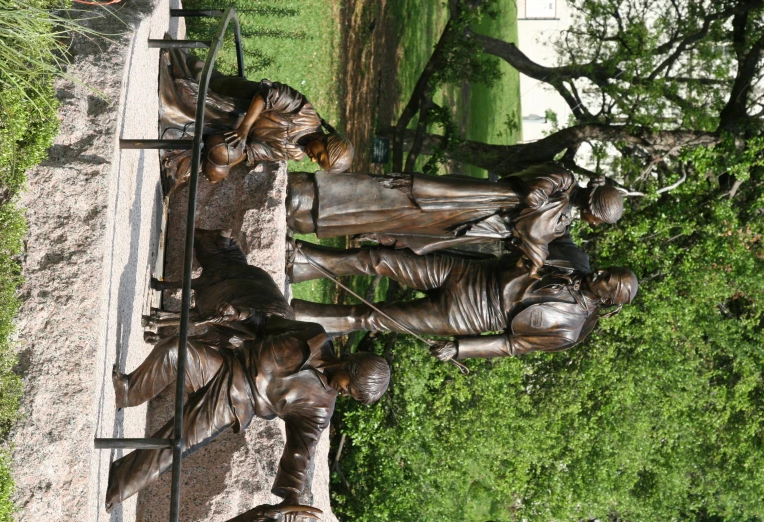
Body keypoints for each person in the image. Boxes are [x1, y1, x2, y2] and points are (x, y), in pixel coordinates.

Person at [105, 315, 390, 518]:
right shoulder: (314, 335)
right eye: (350, 387)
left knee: (177, 440)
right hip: (226, 365)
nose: (345, 393)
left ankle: (117, 485)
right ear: (351, 366)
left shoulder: (320, 408)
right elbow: (263, 324)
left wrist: (292, 494)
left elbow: (302, 450)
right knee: (175, 351)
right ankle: (128, 391)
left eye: (351, 395)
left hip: (235, 401)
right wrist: (236, 316)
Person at [289, 240, 637, 361]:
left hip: (467, 315)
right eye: (608, 270)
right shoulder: (575, 260)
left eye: (607, 281)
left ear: (609, 301)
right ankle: (302, 262)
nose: (601, 274)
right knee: (379, 258)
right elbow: (550, 230)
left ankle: (297, 317)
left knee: (372, 318)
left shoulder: (568, 332)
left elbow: (511, 346)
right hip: (467, 272)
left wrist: (460, 348)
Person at [287, 164, 623, 276]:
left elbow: (532, 228)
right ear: (595, 207)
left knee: (392, 226)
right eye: (599, 219)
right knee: (392, 202)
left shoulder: (564, 220)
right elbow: (531, 202)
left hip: (469, 227)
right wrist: (536, 252)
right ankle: (306, 198)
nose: (594, 224)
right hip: (469, 205)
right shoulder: (563, 182)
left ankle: (310, 222)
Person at [159, 47, 353, 195]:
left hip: (229, 129)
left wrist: (226, 162)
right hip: (236, 103)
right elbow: (266, 95)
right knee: (188, 99)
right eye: (319, 157)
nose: (312, 159)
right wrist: (244, 129)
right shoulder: (304, 112)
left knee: (216, 158)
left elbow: (253, 151)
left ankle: (181, 143)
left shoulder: (295, 152)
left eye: (317, 163)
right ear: (327, 141)